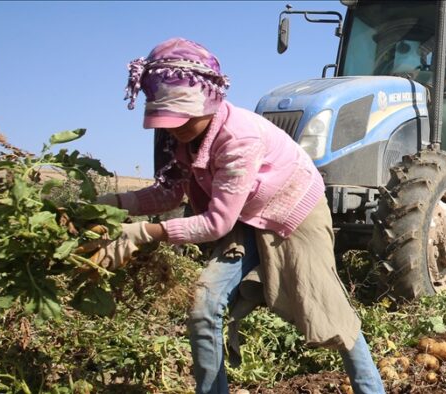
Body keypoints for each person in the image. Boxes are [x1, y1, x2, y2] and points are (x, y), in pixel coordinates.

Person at [92, 38, 385, 394]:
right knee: (203, 309)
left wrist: (143, 233)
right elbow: (169, 192)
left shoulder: (238, 137)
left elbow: (216, 223)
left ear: (210, 101)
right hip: (244, 216)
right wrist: (112, 203)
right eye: (168, 118)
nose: (174, 127)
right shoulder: (174, 136)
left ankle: (372, 389)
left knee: (326, 311)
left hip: (292, 212)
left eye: (183, 117)